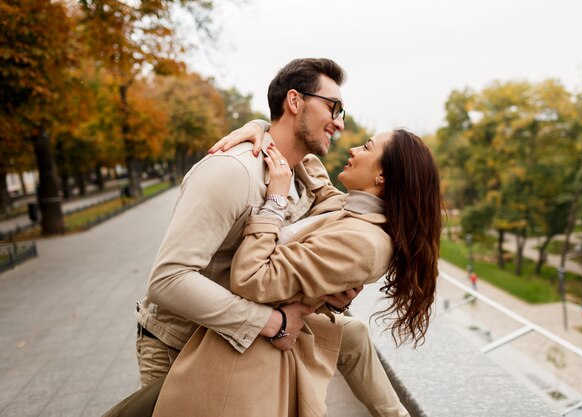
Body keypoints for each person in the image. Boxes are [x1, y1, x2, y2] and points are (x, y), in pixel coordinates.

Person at [124, 58, 409, 416]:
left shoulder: (305, 174)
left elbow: (320, 239)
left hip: (236, 348)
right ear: (294, 101)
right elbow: (167, 281)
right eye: (333, 107)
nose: (339, 122)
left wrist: (328, 290)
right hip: (178, 344)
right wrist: (274, 324)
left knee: (353, 335)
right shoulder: (232, 172)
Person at [152, 128, 442, 417]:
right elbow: (303, 155)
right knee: (354, 334)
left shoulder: (364, 240)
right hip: (214, 329)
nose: (354, 149)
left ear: (383, 177)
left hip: (238, 340)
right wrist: (260, 127)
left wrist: (275, 203)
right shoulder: (347, 207)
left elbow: (251, 279)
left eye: (367, 147)